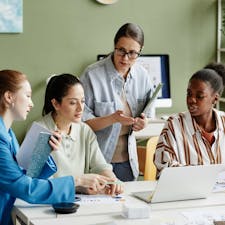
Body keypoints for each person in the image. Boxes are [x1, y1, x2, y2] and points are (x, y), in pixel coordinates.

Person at [80, 23, 154, 181]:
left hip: (128, 163)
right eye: (121, 50)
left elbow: (148, 113)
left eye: (132, 53)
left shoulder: (143, 76)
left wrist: (143, 122)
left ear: (140, 51)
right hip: (97, 163)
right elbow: (81, 122)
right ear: (114, 46)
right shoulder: (92, 75)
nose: (125, 58)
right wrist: (112, 119)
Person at [0, 70, 75, 225]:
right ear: (9, 97)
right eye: (27, 96)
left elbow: (25, 176)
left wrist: (42, 150)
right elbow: (24, 188)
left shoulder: (9, 134)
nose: (32, 103)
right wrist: (77, 182)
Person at [37, 73, 123, 195]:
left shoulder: (85, 130)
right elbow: (39, 184)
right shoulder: (40, 131)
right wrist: (78, 187)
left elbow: (100, 165)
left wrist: (112, 180)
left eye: (82, 101)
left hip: (80, 201)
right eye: (73, 103)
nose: (80, 108)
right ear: (56, 104)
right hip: (50, 203)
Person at [154, 65, 225, 178]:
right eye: (189, 94)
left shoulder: (223, 121)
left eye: (199, 96)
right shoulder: (174, 124)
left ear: (215, 99)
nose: (191, 100)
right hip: (186, 193)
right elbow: (165, 169)